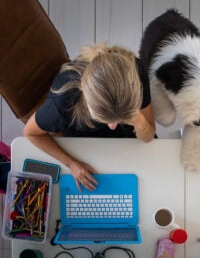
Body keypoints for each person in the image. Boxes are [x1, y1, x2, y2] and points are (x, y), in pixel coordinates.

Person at [24, 43, 156, 191]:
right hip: (84, 143)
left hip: (126, 147)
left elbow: (149, 136)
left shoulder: (136, 74)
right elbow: (30, 133)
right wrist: (70, 163)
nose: (113, 126)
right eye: (105, 119)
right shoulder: (65, 99)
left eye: (119, 119)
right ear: (87, 102)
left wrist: (137, 119)